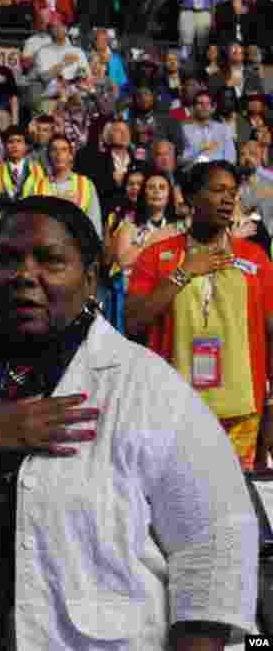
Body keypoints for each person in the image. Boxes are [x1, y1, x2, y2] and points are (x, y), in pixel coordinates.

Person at [0, 190, 259, 649]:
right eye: (7, 259)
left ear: (91, 278)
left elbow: (215, 543)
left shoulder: (147, 386)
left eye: (51, 261)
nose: (23, 276)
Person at [127, 161, 273, 471]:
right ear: (192, 197)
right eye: (218, 190)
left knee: (236, 508)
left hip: (241, 412)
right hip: (174, 411)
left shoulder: (254, 257)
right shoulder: (157, 256)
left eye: (233, 192)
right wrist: (184, 272)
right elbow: (133, 322)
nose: (228, 199)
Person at [24, 135, 103, 236]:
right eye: (54, 150)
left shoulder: (86, 184)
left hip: (78, 245)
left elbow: (94, 223)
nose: (59, 154)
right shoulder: (37, 186)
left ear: (71, 155)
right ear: (48, 156)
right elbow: (31, 222)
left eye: (64, 150)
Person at [111, 171, 187, 273]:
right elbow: (123, 261)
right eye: (151, 187)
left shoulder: (177, 228)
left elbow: (181, 258)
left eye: (162, 187)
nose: (156, 191)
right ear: (144, 193)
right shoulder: (130, 226)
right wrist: (152, 241)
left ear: (169, 196)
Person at [0, 126, 46, 217]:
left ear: (26, 146)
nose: (15, 146)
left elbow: (40, 196)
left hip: (30, 218)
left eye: (19, 141)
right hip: (3, 219)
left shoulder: (37, 170)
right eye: (10, 142)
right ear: (4, 146)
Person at [181, 90, 236, 167]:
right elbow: (184, 158)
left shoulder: (224, 129)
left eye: (208, 103)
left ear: (212, 108)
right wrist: (200, 153)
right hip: (195, 172)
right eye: (200, 103)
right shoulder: (184, 130)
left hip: (220, 172)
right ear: (193, 108)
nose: (204, 106)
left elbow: (231, 157)